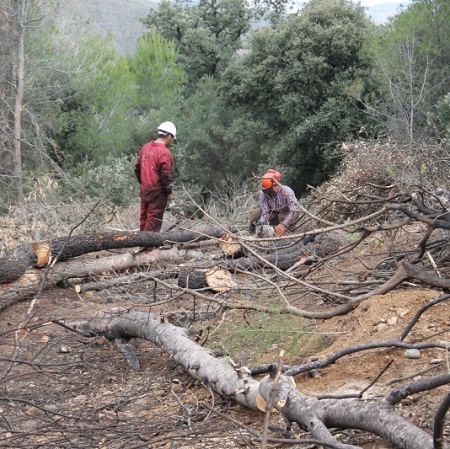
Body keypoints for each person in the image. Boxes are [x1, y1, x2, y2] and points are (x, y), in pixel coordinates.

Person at [134, 122, 176, 240]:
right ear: (168, 136)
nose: (171, 140)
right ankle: (147, 249)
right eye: (172, 138)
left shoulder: (145, 147)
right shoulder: (165, 153)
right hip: (157, 192)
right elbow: (165, 176)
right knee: (153, 220)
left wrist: (143, 182)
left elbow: (137, 168)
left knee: (144, 217)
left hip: (145, 189)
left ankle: (141, 243)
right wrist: (169, 193)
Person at [249, 169, 300, 236]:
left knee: (283, 217)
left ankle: (288, 232)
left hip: (286, 213)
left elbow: (294, 210)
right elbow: (265, 211)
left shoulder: (287, 191)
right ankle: (253, 231)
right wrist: (260, 223)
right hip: (273, 212)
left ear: (276, 185)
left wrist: (283, 225)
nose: (268, 193)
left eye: (269, 191)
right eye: (266, 191)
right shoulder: (263, 194)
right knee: (256, 213)